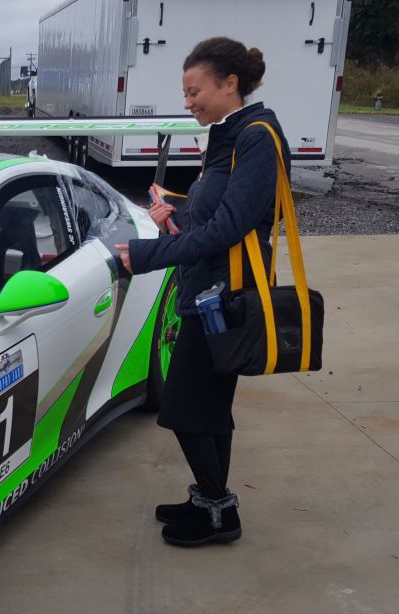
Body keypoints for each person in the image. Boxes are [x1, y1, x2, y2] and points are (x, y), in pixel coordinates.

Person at [114, 37, 291, 547]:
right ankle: (208, 499)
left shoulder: (255, 136)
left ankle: (218, 513)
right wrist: (175, 214)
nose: (188, 101)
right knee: (209, 408)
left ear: (230, 84)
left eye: (195, 92)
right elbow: (212, 215)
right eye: (185, 92)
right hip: (209, 291)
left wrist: (145, 255)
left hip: (224, 299)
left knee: (185, 408)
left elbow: (233, 227)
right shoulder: (227, 133)